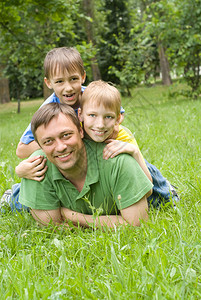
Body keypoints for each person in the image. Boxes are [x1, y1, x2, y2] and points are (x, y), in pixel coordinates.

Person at [0, 47, 179, 212]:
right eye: (60, 81)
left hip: (100, 145)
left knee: (128, 157)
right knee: (43, 175)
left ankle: (164, 190)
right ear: (48, 82)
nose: (68, 87)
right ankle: (14, 195)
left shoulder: (95, 98)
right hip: (74, 154)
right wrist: (56, 143)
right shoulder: (48, 110)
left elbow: (115, 126)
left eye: (73, 79)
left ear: (83, 77)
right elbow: (22, 149)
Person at [19, 103, 153, 228]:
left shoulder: (118, 161)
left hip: (140, 181)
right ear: (40, 145)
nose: (60, 147)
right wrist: (112, 222)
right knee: (17, 199)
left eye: (66, 135)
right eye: (48, 141)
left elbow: (135, 224)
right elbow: (54, 227)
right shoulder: (35, 167)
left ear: (81, 131)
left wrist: (72, 216)